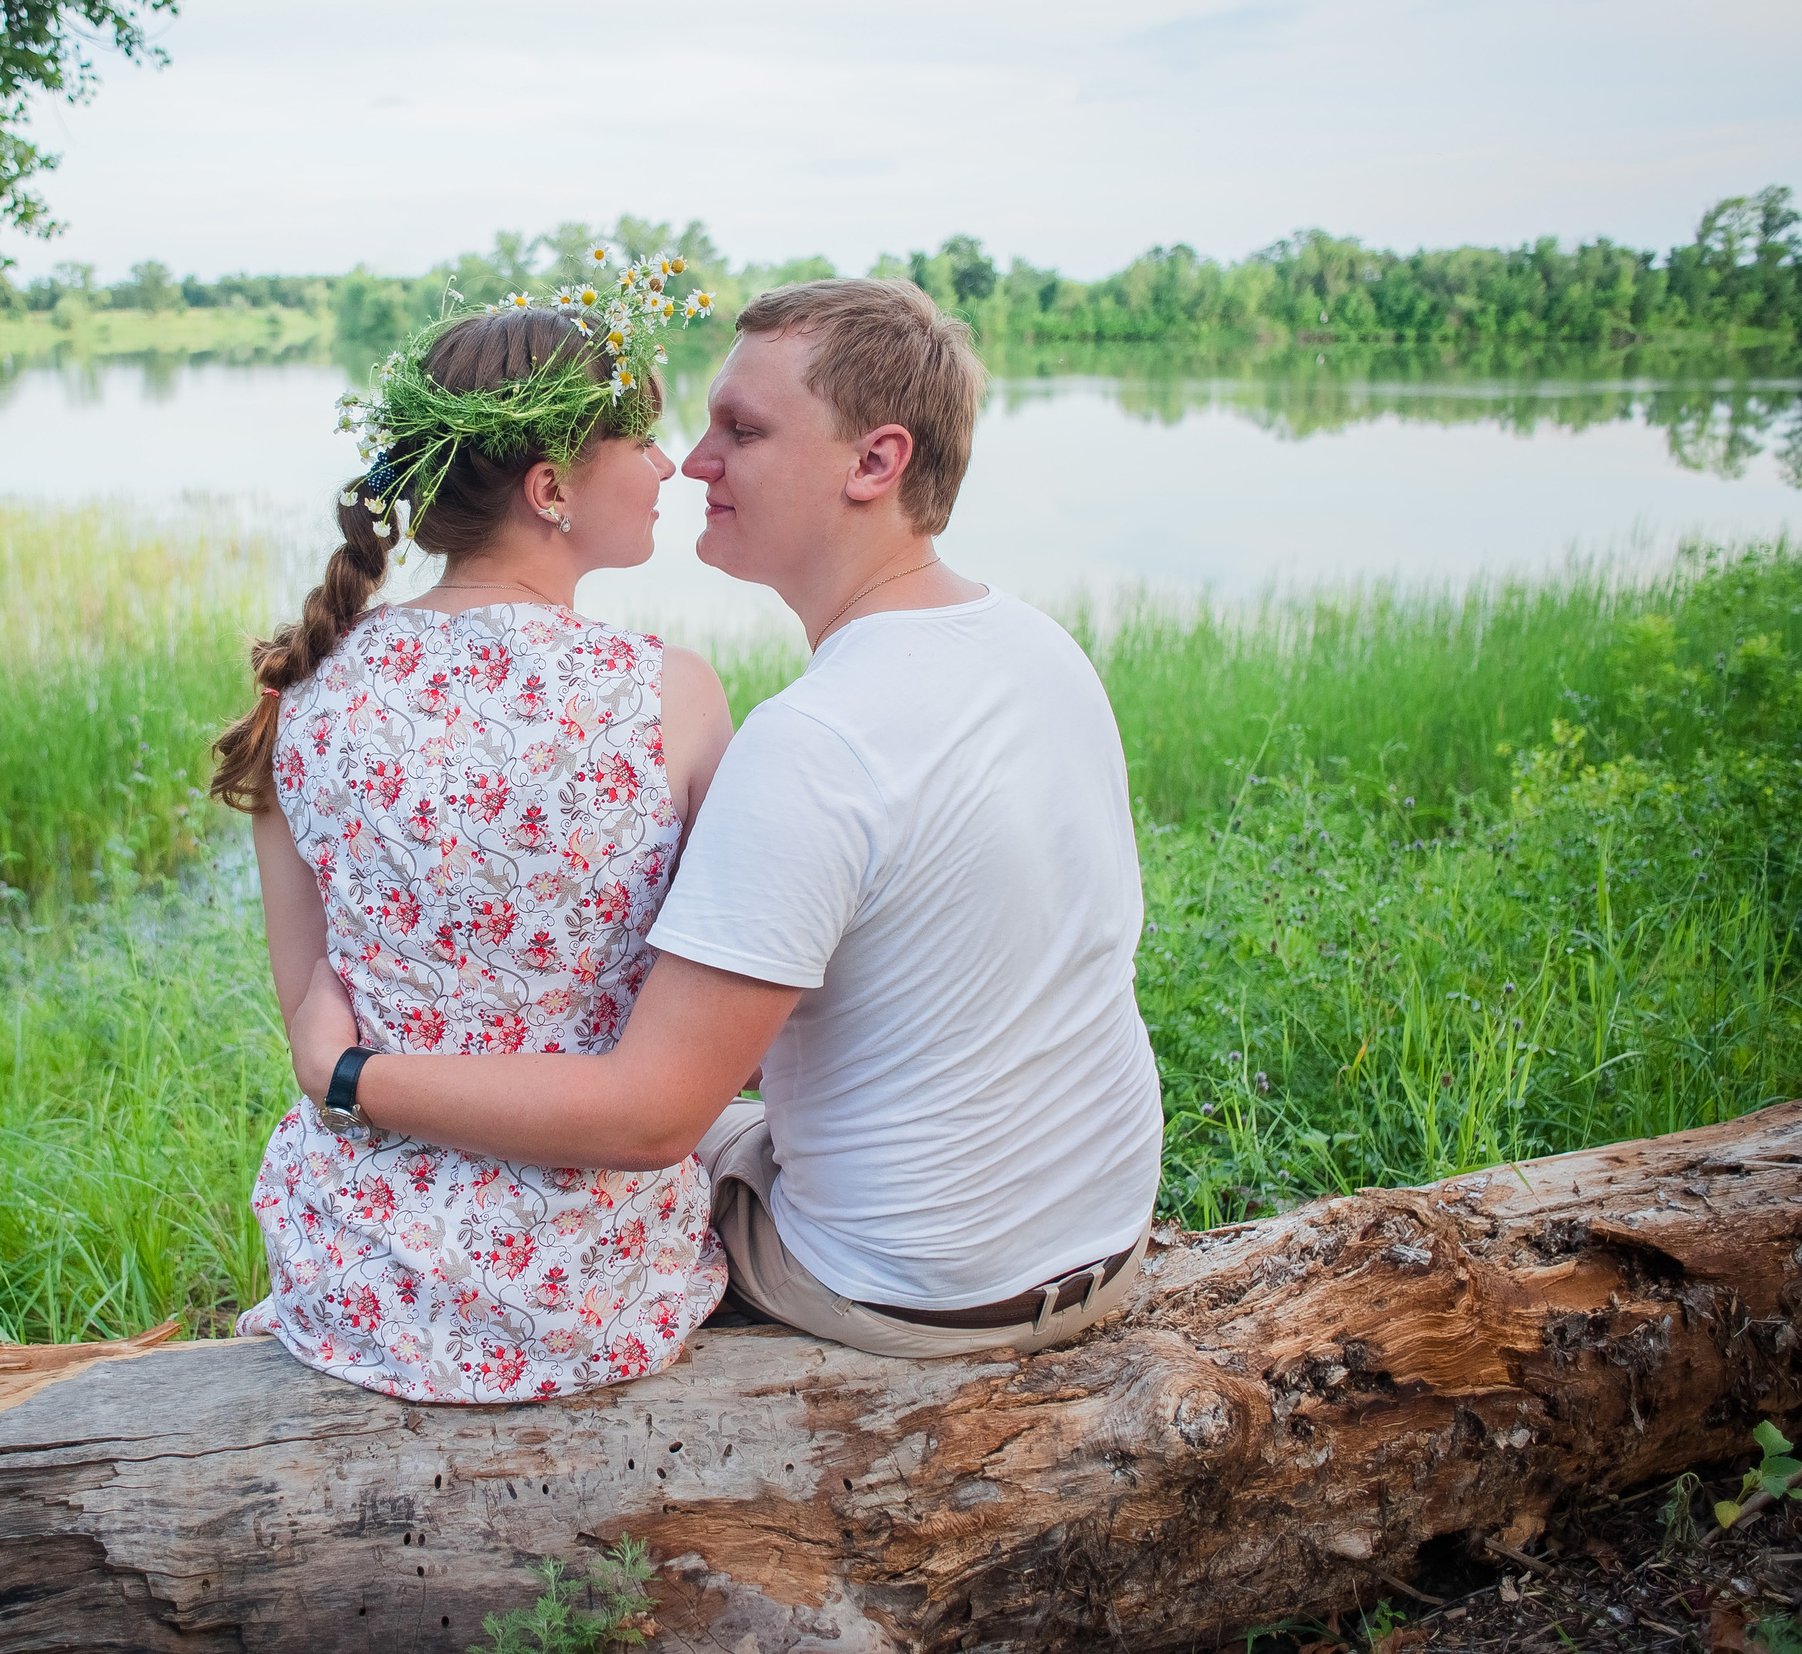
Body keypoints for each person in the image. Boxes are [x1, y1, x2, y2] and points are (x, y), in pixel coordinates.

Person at [287, 278, 1164, 1360]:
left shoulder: (813, 743)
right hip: (1098, 1240)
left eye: (740, 431)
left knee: (648, 1134)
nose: (693, 462)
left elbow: (652, 1113)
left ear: (874, 462)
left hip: (904, 1285)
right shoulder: (1041, 647)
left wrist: (347, 1075)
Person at [209, 280, 736, 1402]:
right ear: (550, 490)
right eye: (640, 437)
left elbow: (310, 999)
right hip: (594, 1287)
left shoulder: (303, 689)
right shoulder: (670, 698)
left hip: (358, 1276)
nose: (668, 463)